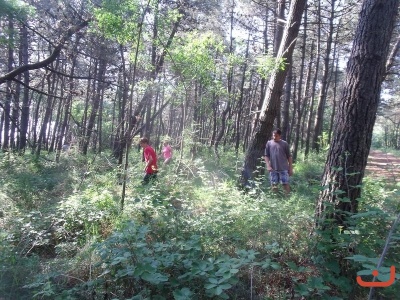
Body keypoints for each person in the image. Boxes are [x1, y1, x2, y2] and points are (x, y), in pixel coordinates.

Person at [264, 129, 293, 195]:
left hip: (284, 168)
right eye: (273, 136)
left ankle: (287, 199)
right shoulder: (269, 143)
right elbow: (266, 156)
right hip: (273, 168)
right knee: (274, 185)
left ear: (280, 136)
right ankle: (275, 199)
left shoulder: (284, 144)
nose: (274, 137)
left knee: (285, 184)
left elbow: (289, 157)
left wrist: (290, 168)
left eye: (276, 136)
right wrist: (268, 166)